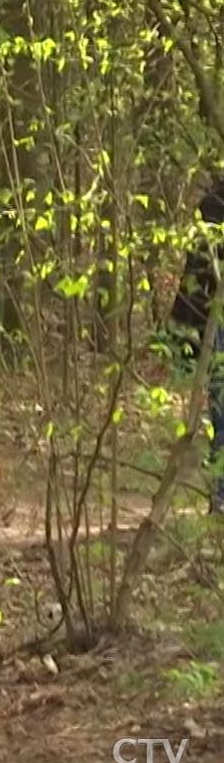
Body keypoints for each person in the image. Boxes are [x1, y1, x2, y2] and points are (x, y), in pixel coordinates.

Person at [166, 170, 224, 515]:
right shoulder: (213, 207)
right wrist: (182, 332)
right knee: (222, 412)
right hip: (216, 323)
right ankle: (220, 496)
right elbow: (196, 276)